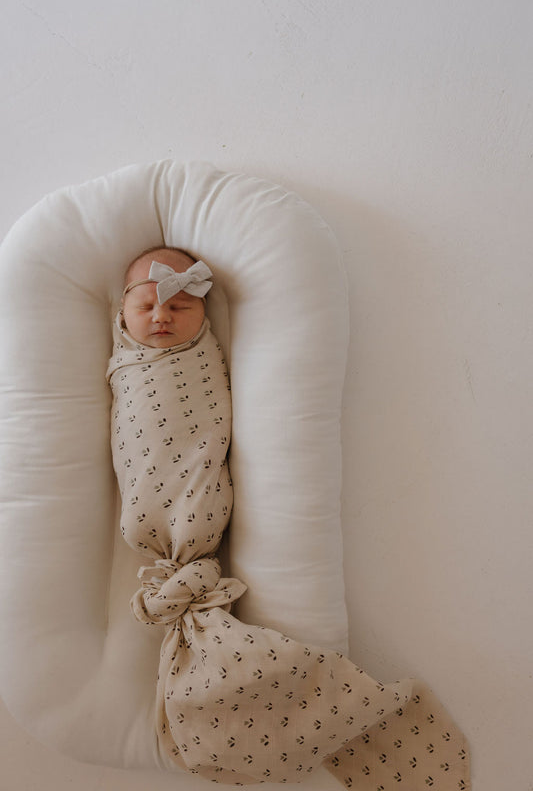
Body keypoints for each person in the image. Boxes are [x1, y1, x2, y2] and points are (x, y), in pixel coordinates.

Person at [107, 248, 469, 788]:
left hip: (189, 516)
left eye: (181, 305)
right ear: (121, 315)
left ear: (205, 318)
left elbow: (205, 429)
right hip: (154, 524)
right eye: (147, 306)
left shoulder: (200, 359)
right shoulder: (126, 364)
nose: (162, 317)